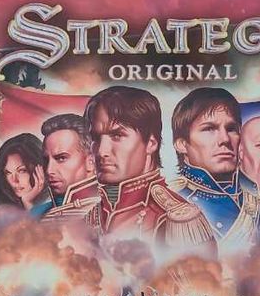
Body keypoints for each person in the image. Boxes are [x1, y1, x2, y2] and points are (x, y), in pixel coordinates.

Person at [83, 86, 216, 257]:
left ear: (151, 143)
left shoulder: (180, 221)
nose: (101, 151)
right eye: (95, 138)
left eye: (117, 136)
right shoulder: (91, 218)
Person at [171, 88, 260, 251]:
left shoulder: (255, 204)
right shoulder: (170, 202)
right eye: (209, 129)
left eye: (231, 129)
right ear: (182, 144)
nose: (225, 139)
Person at [40, 113, 100, 219]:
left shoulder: (112, 212)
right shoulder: (37, 214)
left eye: (61, 158)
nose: (49, 170)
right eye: (46, 160)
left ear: (91, 161)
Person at [0, 133, 51, 216]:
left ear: (41, 168)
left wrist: (28, 202)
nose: (14, 181)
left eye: (22, 171)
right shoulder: (2, 212)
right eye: (8, 173)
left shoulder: (55, 204)